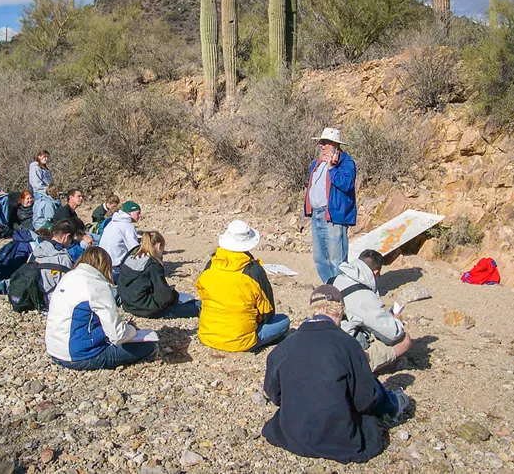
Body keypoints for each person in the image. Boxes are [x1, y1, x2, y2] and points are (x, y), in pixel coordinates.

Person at [262, 285, 410, 463]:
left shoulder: (284, 347)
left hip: (292, 434)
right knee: (371, 411)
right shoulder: (349, 345)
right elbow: (364, 400)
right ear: (339, 310)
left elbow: (274, 394)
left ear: (314, 310)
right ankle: (395, 402)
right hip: (339, 440)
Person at [45, 246, 159, 371]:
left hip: (54, 350)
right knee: (148, 346)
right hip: (80, 357)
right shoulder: (97, 284)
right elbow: (118, 336)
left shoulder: (68, 277)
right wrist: (132, 329)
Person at [196, 220, 290, 352]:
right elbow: (268, 312)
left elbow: (202, 294)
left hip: (207, 335)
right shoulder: (254, 271)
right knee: (284, 321)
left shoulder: (211, 264)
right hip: (241, 341)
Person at [330, 249, 412, 373]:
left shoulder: (333, 280)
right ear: (375, 272)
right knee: (405, 340)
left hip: (323, 341)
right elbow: (392, 335)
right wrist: (396, 319)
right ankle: (361, 369)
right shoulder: (363, 295)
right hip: (342, 353)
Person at [304, 128, 357, 283]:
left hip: (334, 216)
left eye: (325, 143)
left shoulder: (345, 163)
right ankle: (330, 288)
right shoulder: (317, 164)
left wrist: (331, 168)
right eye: (321, 143)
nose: (322, 146)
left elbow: (347, 184)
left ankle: (343, 291)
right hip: (317, 214)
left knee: (337, 258)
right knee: (320, 258)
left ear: (335, 145)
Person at [118, 231, 201, 319]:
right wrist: (174, 295)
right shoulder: (152, 265)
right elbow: (164, 297)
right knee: (191, 306)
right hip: (146, 309)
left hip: (128, 305)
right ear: (158, 246)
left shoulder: (130, 257)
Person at [31, 219, 74, 300]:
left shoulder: (38, 249)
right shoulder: (63, 257)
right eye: (71, 240)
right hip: (53, 301)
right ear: (66, 237)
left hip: (35, 296)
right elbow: (68, 286)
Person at [98, 201, 141, 282]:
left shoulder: (112, 222)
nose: (139, 216)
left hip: (103, 264)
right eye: (138, 213)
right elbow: (134, 249)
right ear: (129, 212)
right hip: (116, 267)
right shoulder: (127, 226)